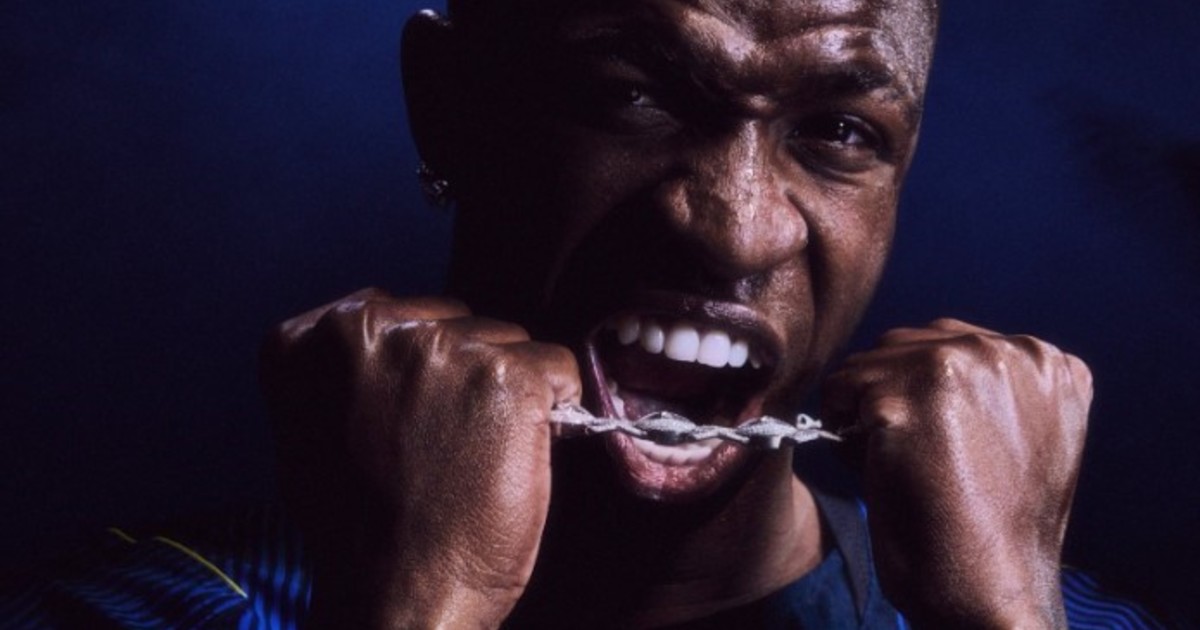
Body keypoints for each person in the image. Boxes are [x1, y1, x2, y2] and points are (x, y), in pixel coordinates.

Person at [0, 0, 1173, 627]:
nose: (736, 230)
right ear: (447, 108)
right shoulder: (150, 613)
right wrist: (418, 611)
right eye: (635, 93)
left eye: (838, 131)